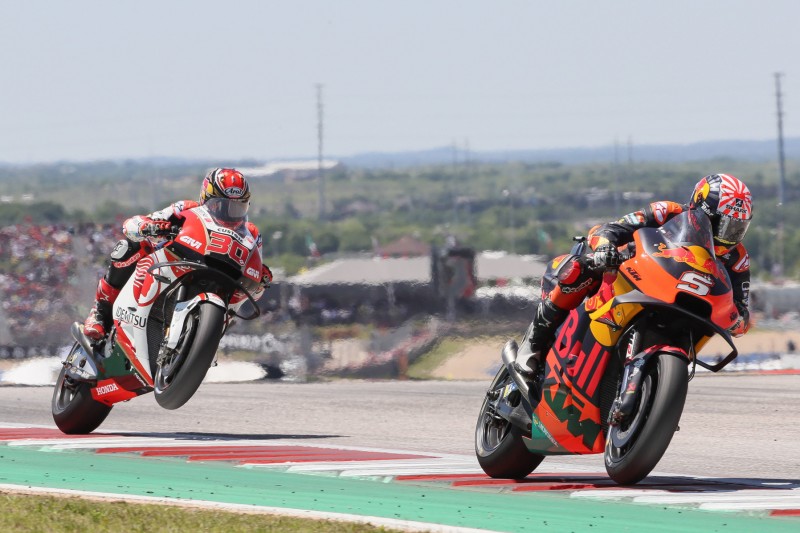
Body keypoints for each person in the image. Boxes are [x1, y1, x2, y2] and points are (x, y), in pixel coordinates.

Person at [515, 173, 754, 377]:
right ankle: (534, 341)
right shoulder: (667, 211)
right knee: (578, 267)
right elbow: (613, 228)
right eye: (725, 226)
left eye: (738, 228)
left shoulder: (738, 259)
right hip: (628, 274)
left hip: (682, 308)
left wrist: (735, 319)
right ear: (702, 210)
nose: (731, 236)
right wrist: (605, 246)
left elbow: (742, 313)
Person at [83, 168, 273, 340]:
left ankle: (195, 345)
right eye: (222, 206)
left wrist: (261, 279)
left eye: (238, 207)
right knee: (129, 247)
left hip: (220, 285)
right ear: (207, 199)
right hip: (172, 265)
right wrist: (149, 226)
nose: (231, 214)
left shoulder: (252, 234)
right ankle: (100, 311)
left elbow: (254, 290)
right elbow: (132, 226)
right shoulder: (186, 208)